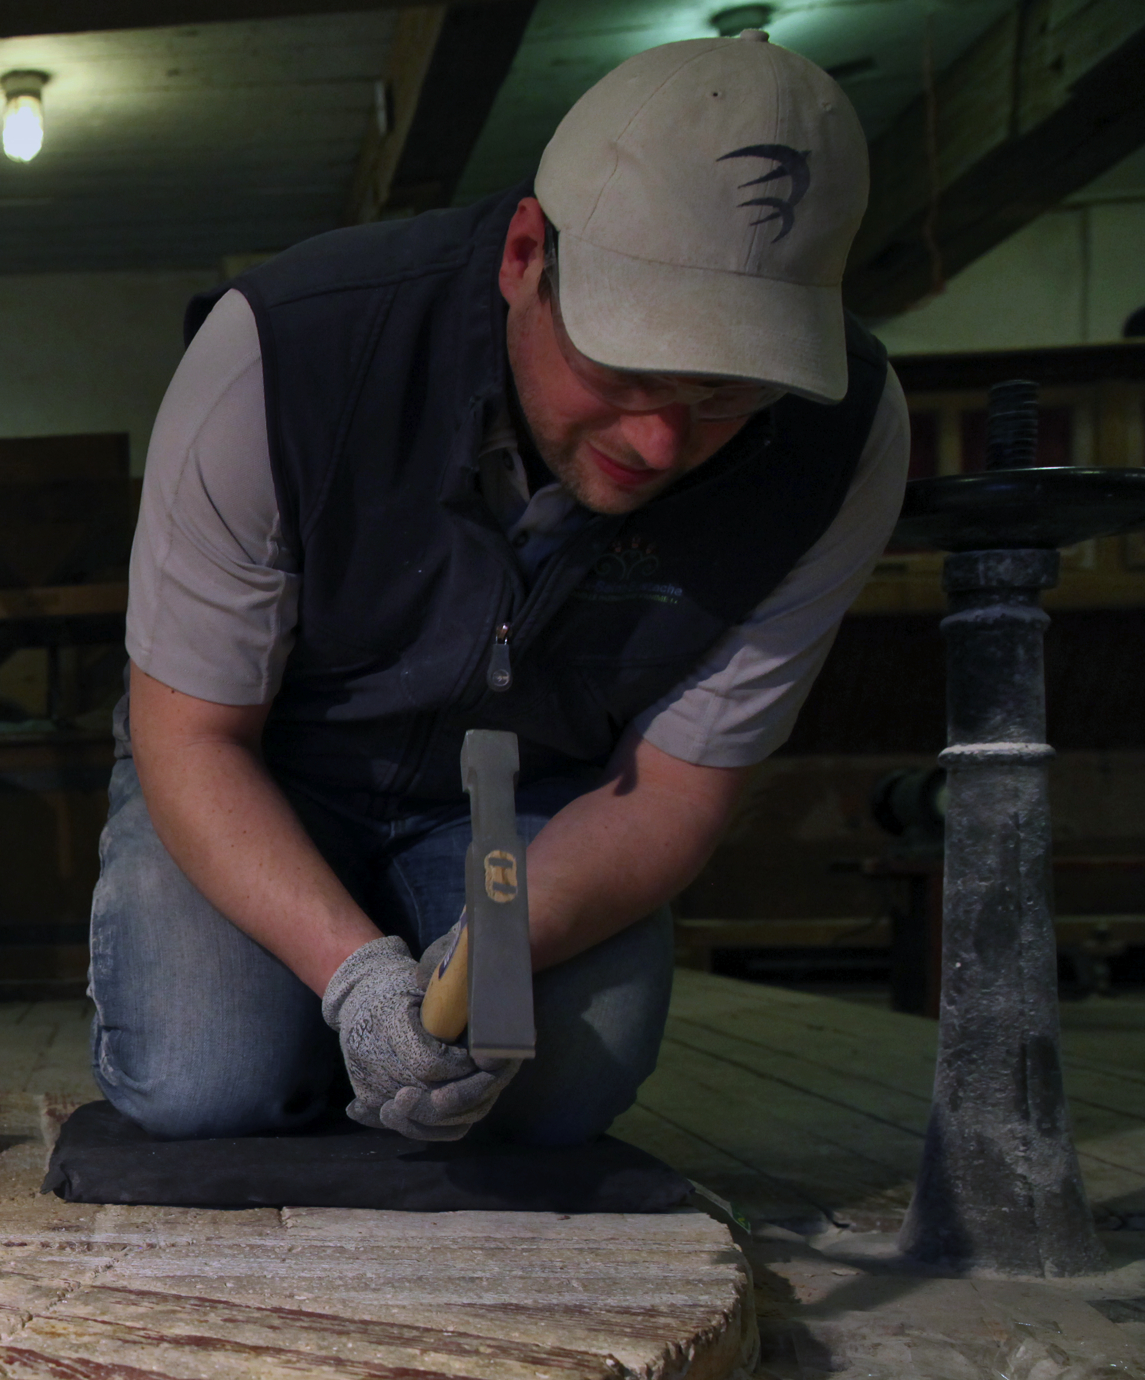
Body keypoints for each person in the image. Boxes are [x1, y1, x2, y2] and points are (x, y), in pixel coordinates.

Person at [91, 30, 910, 1147]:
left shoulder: (839, 445)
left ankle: (386, 1045)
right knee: (210, 1084)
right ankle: (308, 1018)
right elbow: (189, 739)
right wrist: (358, 982)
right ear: (527, 253)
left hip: (538, 798)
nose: (663, 440)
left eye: (727, 395)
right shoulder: (286, 355)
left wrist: (500, 949)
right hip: (267, 769)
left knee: (560, 1088)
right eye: (622, 371)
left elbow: (674, 791)